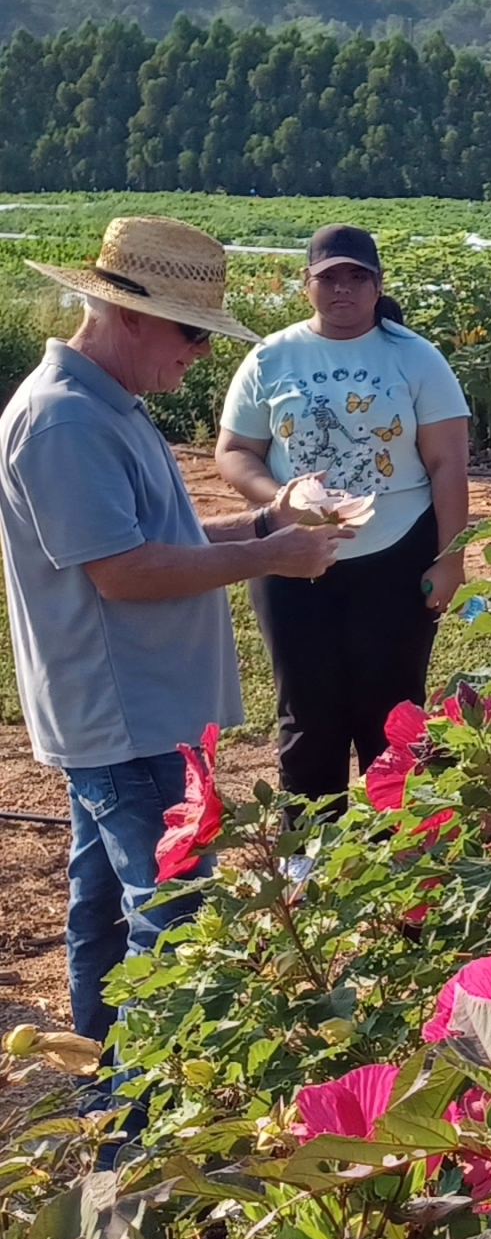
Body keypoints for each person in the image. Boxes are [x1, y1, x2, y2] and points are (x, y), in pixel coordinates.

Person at [0, 218, 347, 1045]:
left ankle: (108, 1098)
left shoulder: (102, 406)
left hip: (134, 713)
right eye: (192, 332)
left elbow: (161, 537)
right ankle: (143, 1124)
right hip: (128, 718)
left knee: (109, 910)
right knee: (174, 914)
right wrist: (273, 555)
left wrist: (268, 518)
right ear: (128, 313)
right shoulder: (67, 422)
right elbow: (122, 574)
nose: (198, 352)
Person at [215, 225, 471, 803]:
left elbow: (448, 465)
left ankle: (399, 858)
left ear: (378, 287)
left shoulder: (415, 356)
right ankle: (309, 863)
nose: (343, 290)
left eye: (358, 277)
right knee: (306, 715)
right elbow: (235, 451)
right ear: (307, 284)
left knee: (393, 718)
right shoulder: (270, 356)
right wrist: (279, 499)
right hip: (290, 560)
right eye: (329, 277)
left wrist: (451, 560)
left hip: (395, 556)